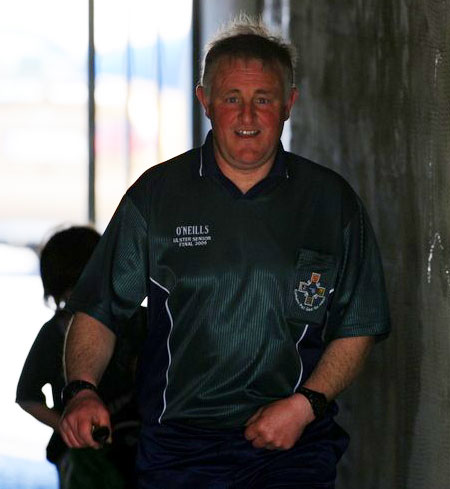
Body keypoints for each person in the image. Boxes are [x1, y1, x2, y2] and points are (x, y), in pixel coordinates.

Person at [59, 17, 390, 489]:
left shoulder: (331, 203)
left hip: (294, 448)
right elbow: (99, 309)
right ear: (206, 102)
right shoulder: (156, 198)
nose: (248, 117)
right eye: (233, 98)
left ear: (289, 105)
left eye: (264, 100)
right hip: (179, 453)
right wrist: (81, 390)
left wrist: (304, 406)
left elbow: (359, 325)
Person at [16, 226, 144, 489]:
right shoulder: (53, 334)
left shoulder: (137, 320)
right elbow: (27, 396)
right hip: (82, 457)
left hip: (138, 443)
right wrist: (70, 427)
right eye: (70, 293)